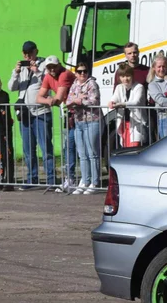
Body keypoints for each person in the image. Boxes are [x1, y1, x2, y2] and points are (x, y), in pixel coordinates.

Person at [38, 56, 76, 192]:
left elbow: (59, 99)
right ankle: (70, 179)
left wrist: (49, 99)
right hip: (68, 115)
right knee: (68, 147)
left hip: (77, 114)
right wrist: (49, 101)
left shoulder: (64, 74)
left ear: (59, 65)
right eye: (49, 67)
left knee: (81, 149)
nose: (52, 69)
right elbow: (38, 97)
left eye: (54, 66)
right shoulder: (48, 77)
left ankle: (82, 180)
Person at [7, 43, 43, 187]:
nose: (28, 57)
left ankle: (51, 180)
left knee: (45, 148)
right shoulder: (20, 69)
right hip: (25, 113)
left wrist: (37, 71)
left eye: (31, 53)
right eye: (25, 54)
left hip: (40, 111)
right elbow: (11, 87)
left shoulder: (44, 64)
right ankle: (32, 178)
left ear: (36, 51)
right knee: (28, 149)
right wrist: (16, 72)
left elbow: (48, 82)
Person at [64, 63, 100, 193]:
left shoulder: (92, 84)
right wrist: (76, 99)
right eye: (79, 72)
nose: (82, 74)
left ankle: (95, 182)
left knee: (92, 153)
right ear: (76, 73)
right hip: (78, 121)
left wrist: (78, 100)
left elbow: (94, 101)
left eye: (85, 71)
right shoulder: (74, 85)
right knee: (82, 154)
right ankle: (85, 180)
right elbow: (68, 102)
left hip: (92, 121)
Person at [110, 63, 147, 147]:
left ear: (132, 75)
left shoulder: (139, 87)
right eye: (122, 76)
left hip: (137, 122)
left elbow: (136, 102)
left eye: (128, 76)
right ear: (119, 77)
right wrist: (111, 102)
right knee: (125, 148)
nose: (125, 79)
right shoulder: (119, 87)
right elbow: (115, 97)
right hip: (124, 122)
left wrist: (121, 104)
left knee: (135, 146)